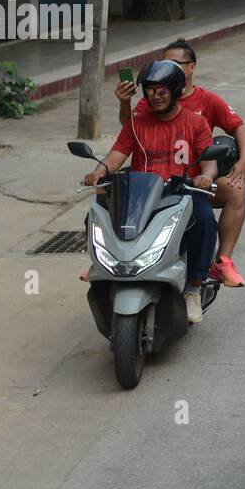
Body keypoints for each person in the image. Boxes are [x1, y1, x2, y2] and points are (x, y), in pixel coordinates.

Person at [86, 60, 217, 323]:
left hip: (181, 192)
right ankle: (105, 266)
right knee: (95, 215)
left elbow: (210, 162)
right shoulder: (136, 123)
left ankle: (193, 285)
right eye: (149, 90)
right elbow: (116, 155)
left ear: (176, 90)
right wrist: (99, 171)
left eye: (161, 91)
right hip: (140, 193)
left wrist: (205, 176)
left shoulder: (196, 123)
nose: (154, 96)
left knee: (204, 219)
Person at [115, 40, 245, 288]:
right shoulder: (152, 99)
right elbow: (130, 130)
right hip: (152, 183)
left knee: (231, 193)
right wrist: (125, 103)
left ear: (191, 68)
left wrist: (243, 162)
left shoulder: (206, 102)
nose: (157, 93)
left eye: (175, 64)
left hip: (191, 183)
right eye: (164, 63)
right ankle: (110, 261)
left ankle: (222, 261)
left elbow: (237, 126)